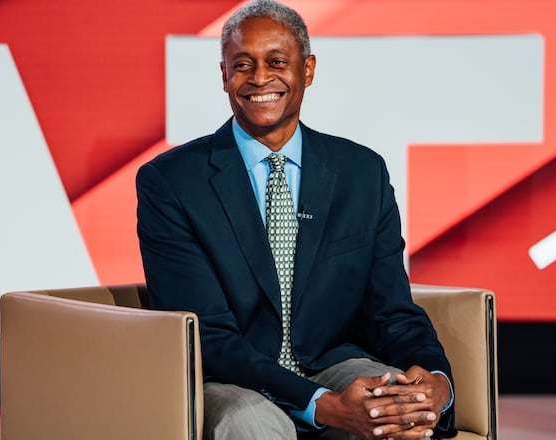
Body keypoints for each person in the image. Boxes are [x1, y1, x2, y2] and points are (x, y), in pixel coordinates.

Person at [136, 1, 455, 439]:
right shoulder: (172, 182)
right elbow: (207, 336)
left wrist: (436, 381)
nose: (260, 78)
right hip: (230, 381)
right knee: (249, 423)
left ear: (307, 70)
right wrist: (320, 406)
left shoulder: (362, 173)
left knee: (393, 408)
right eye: (242, 65)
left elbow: (392, 311)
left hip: (333, 364)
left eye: (277, 62)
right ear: (224, 75)